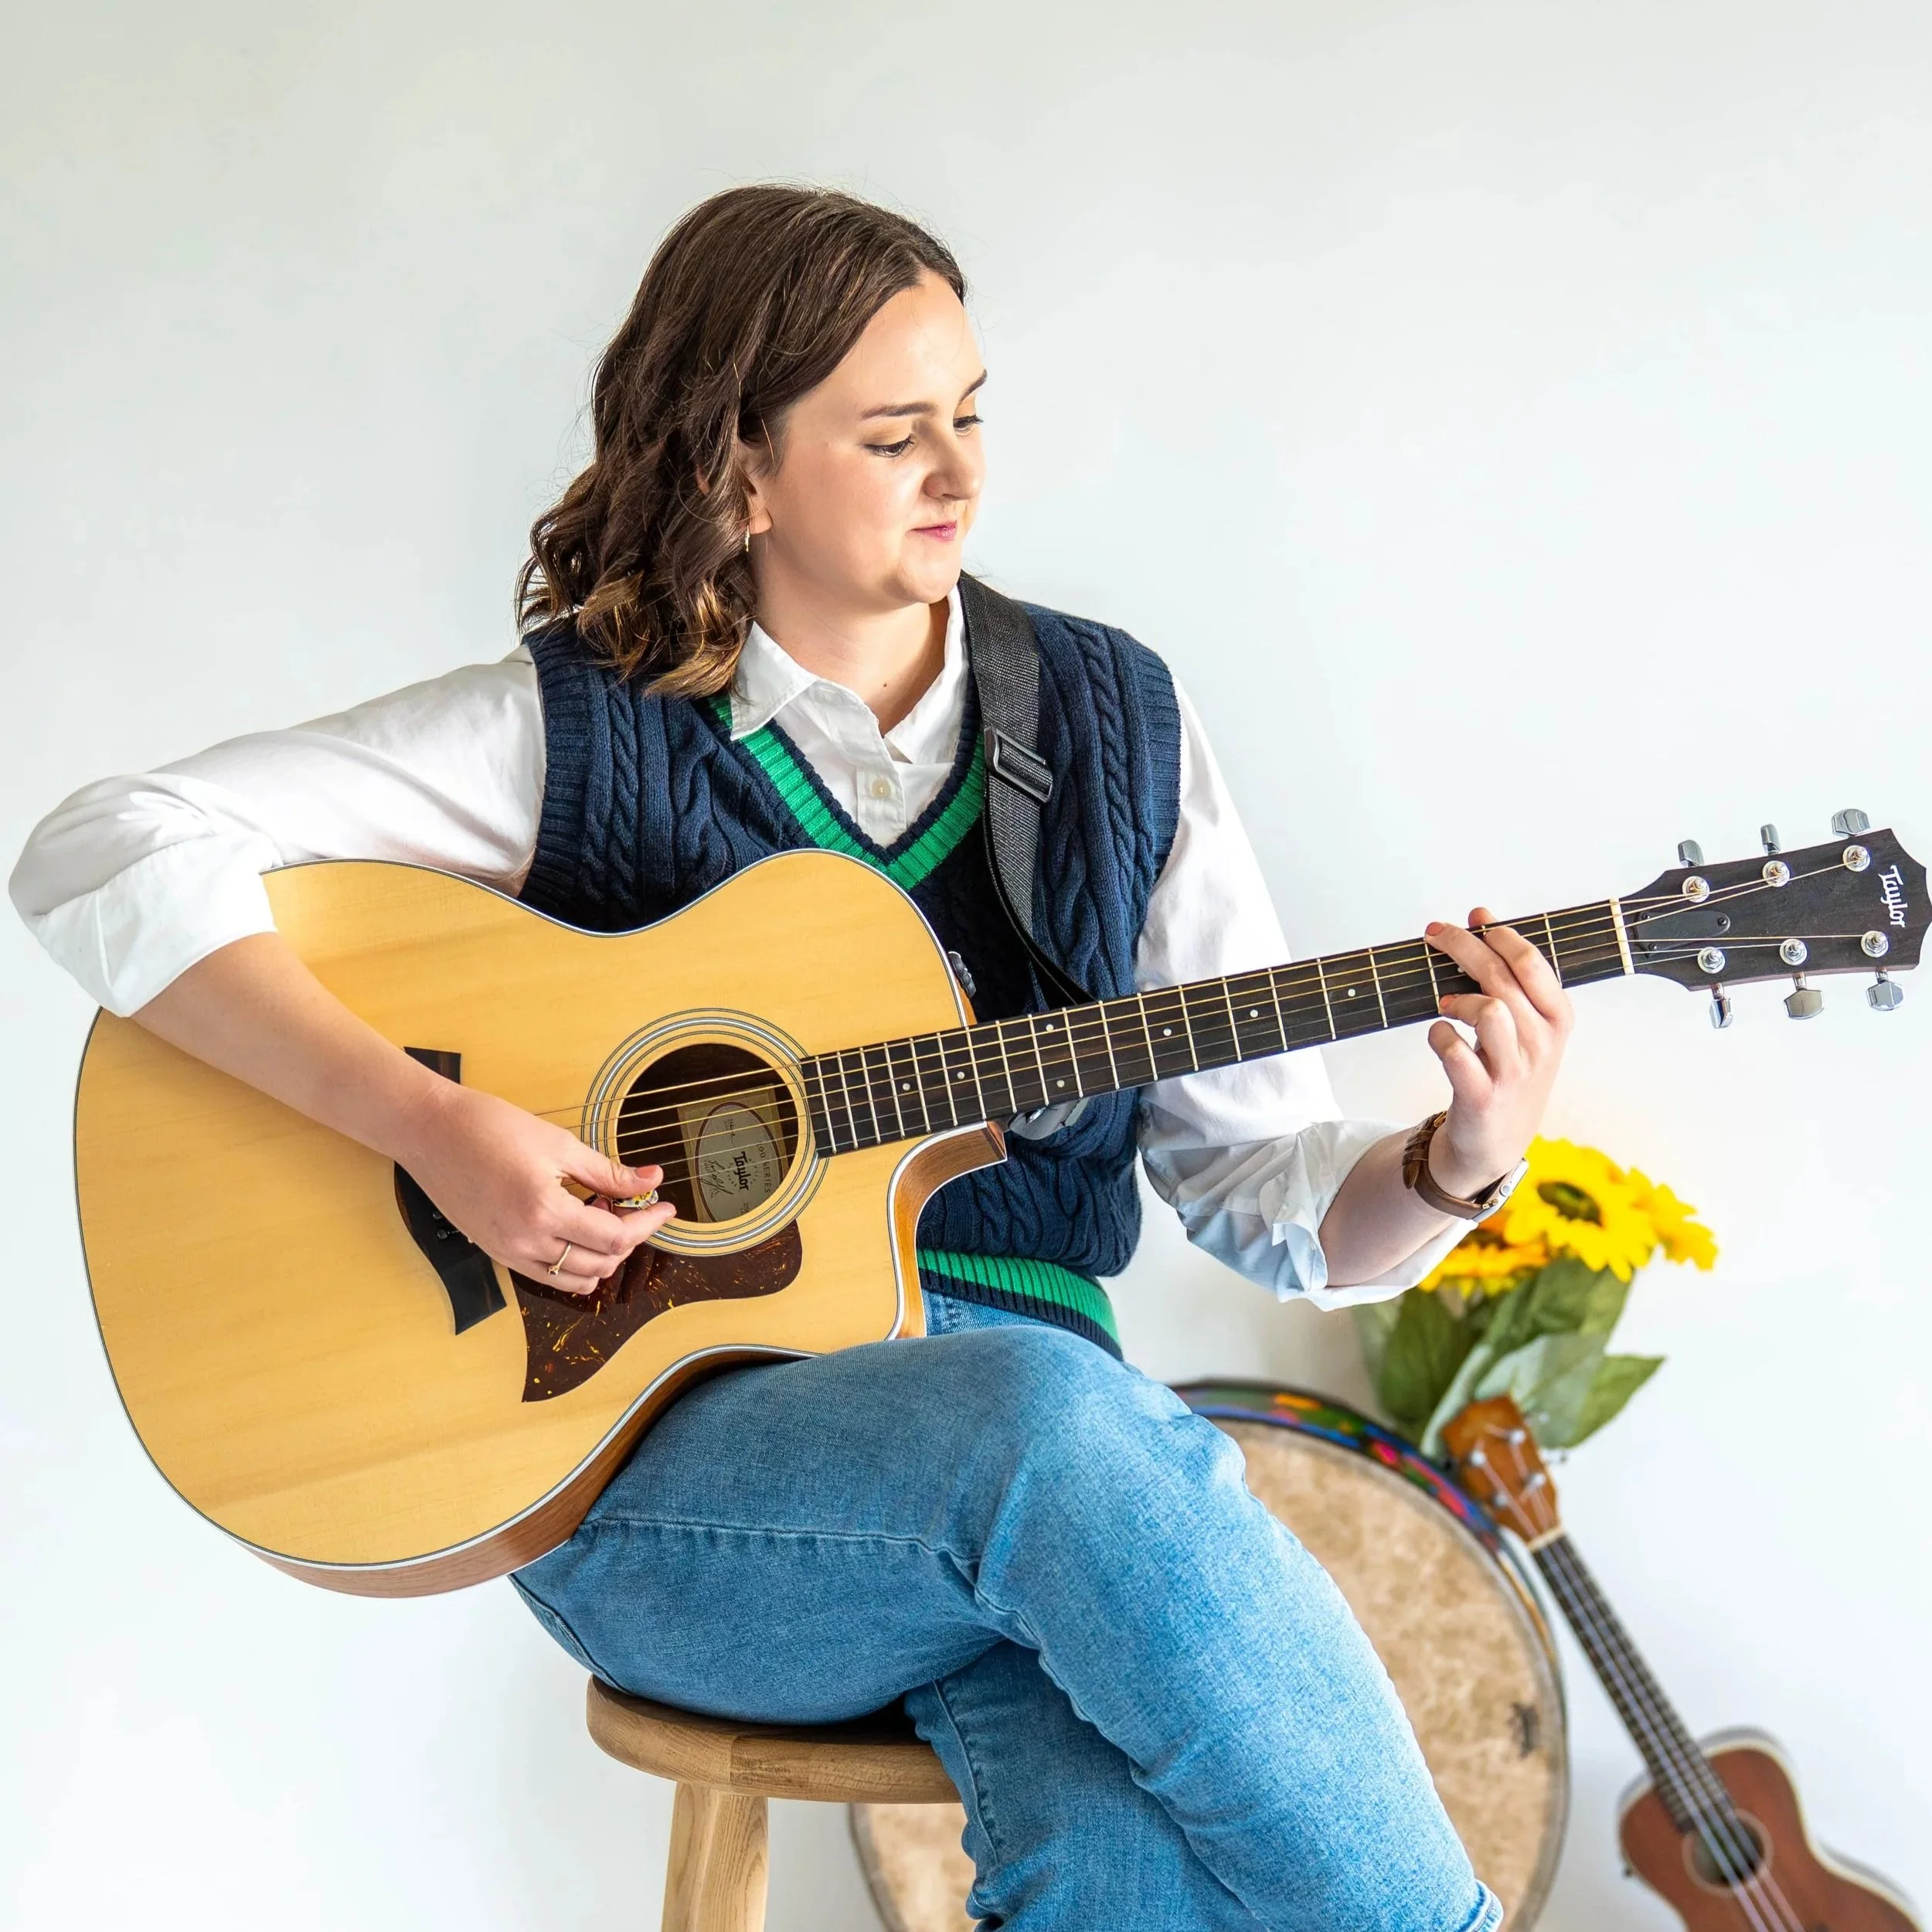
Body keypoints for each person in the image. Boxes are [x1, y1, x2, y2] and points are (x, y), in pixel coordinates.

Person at [12, 185, 1570, 1930]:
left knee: (1122, 1827)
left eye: (970, 415)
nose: (959, 476)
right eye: (893, 434)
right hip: (668, 1491)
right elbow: (102, 843)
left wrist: (1450, 1160)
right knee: (1059, 1426)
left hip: (1052, 1500)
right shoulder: (575, 730)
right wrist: (435, 1123)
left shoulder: (1119, 725)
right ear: (739, 470)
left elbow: (1261, 1195)